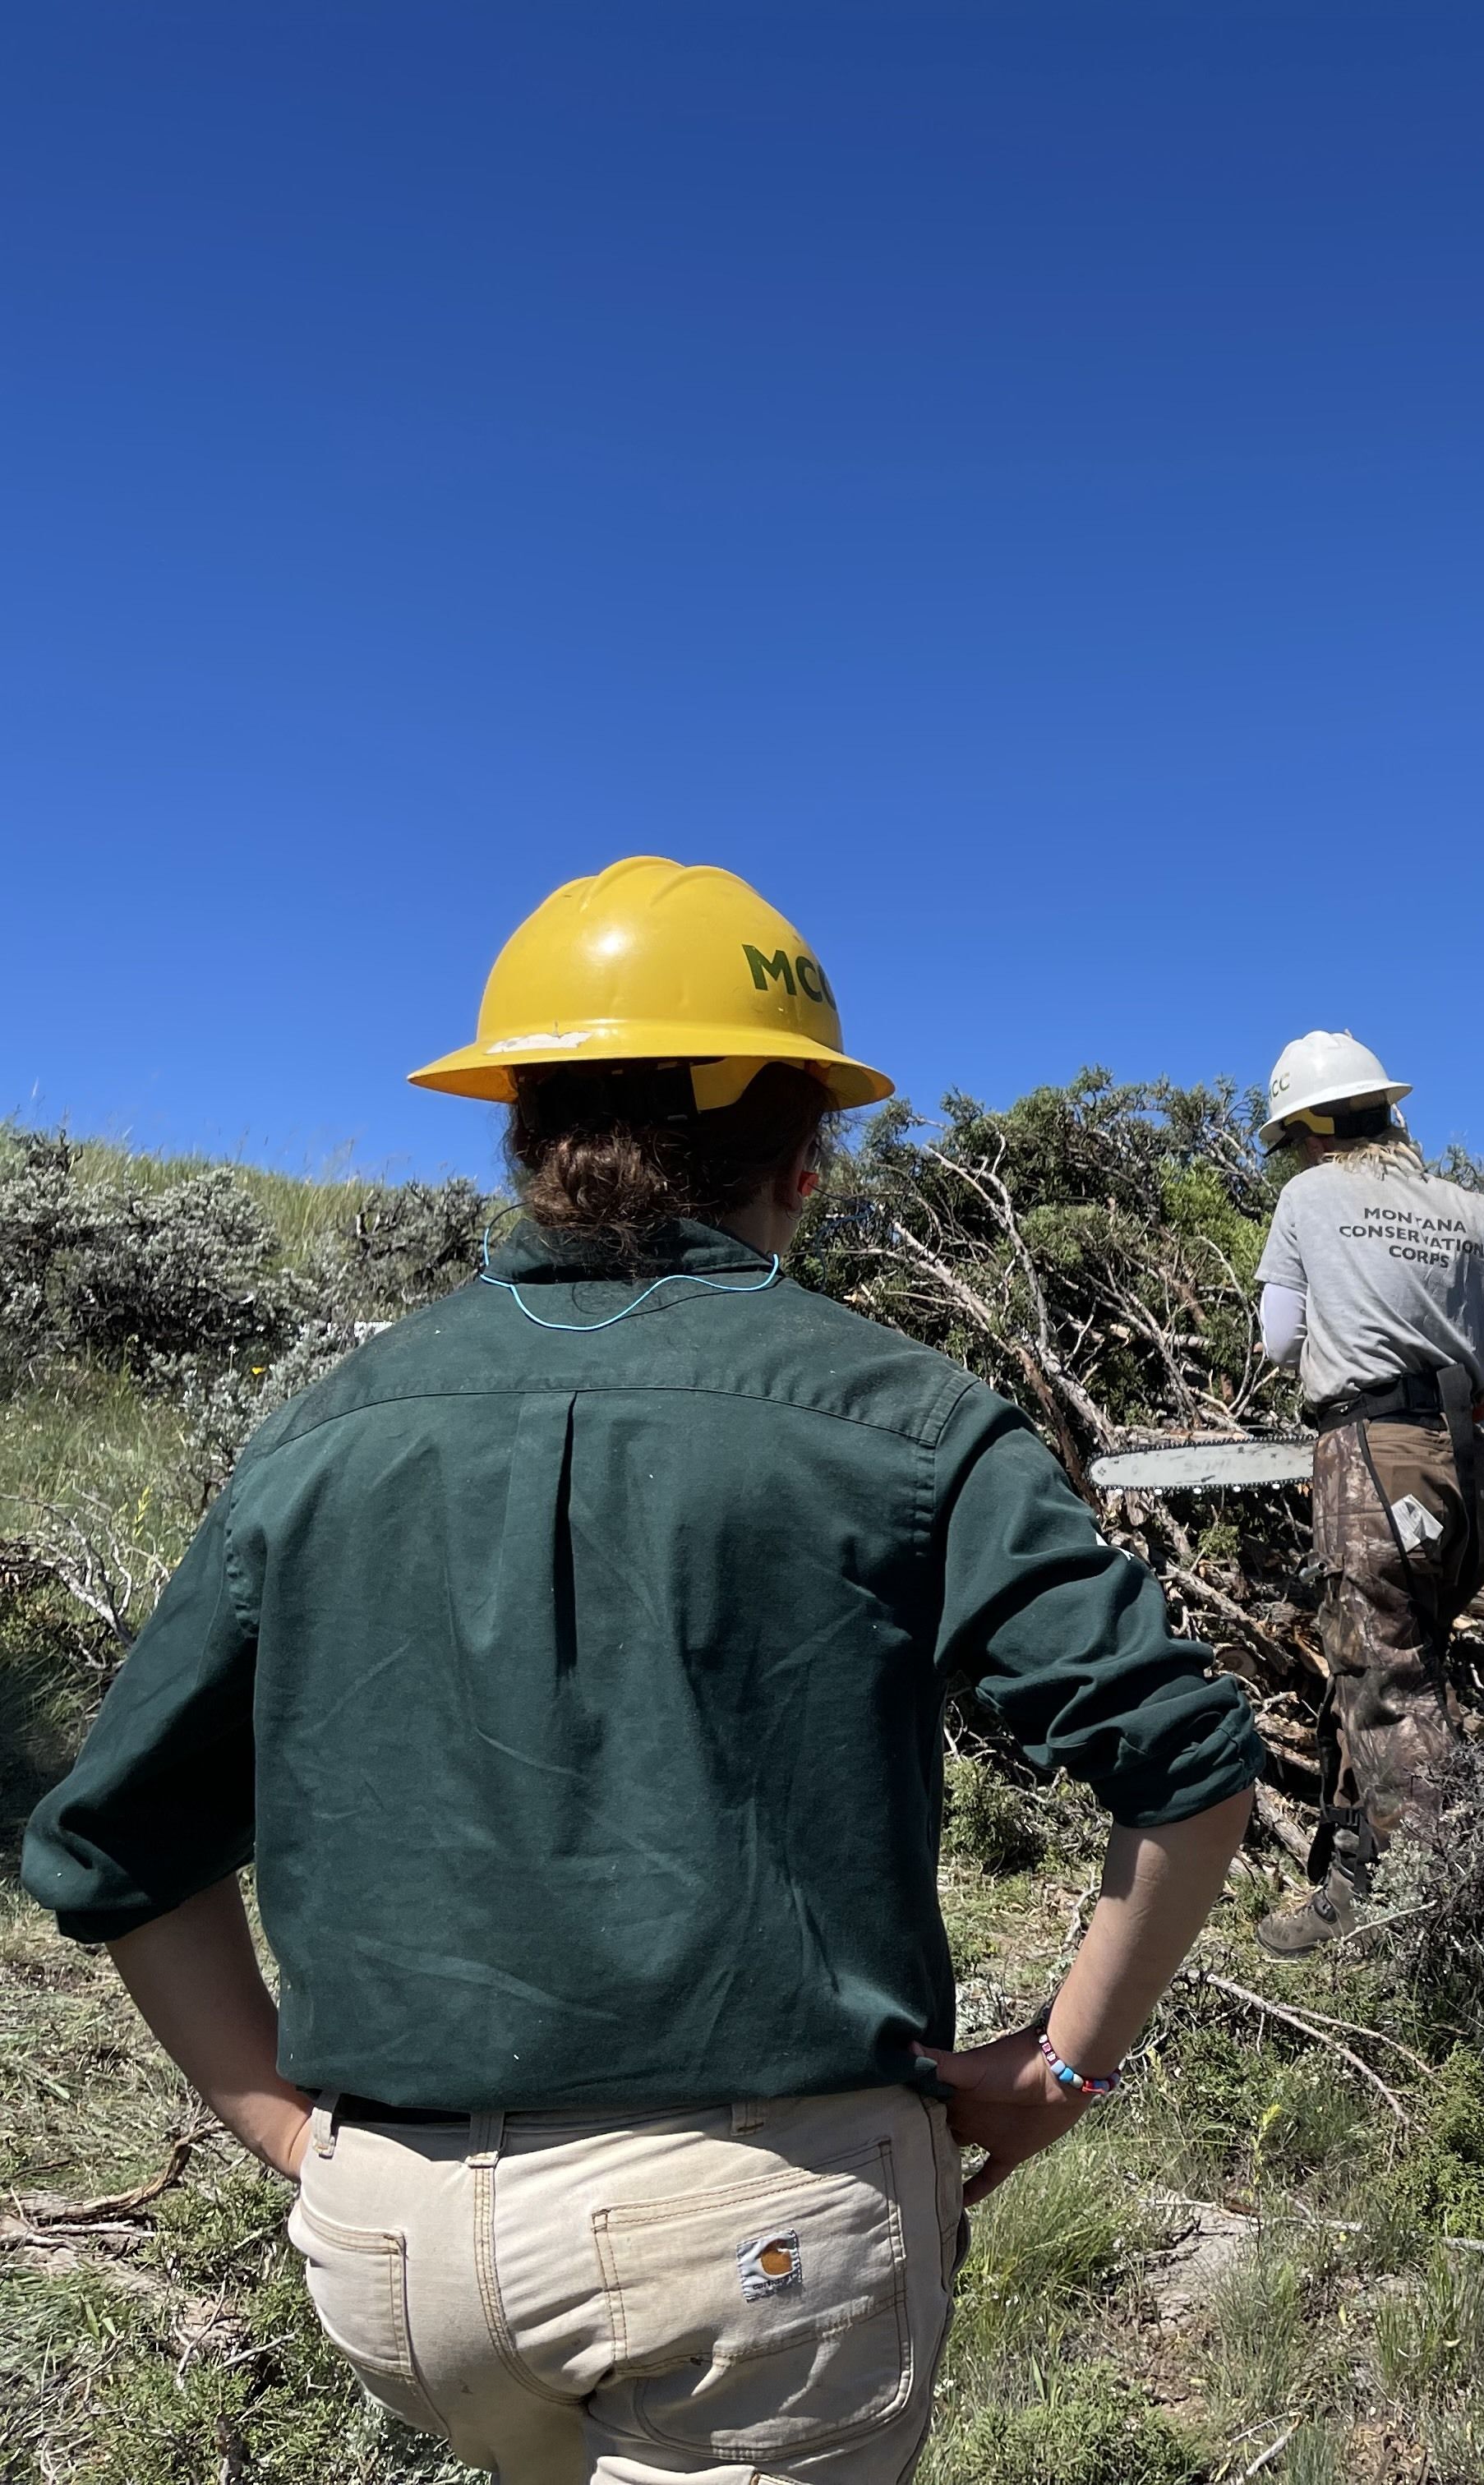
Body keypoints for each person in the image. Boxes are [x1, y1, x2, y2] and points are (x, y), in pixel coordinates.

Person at [20, 857, 1261, 2485]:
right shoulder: (903, 1420)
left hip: (399, 2258)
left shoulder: (325, 1430)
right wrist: (1063, 2067)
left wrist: (298, 2144)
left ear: (523, 1128)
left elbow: (117, 1851)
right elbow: (1187, 1762)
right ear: (805, 1152)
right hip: (750, 2238)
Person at [1247, 1029, 1484, 1957]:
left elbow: (1280, 1342)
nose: (1297, 1154)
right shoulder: (1470, 1210)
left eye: (1297, 1136)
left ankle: (1438, 1936)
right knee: (1382, 1671)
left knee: (1389, 1688)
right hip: (1470, 1470)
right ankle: (1346, 1888)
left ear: (1321, 1127)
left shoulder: (1308, 1197)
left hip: (1372, 1457)